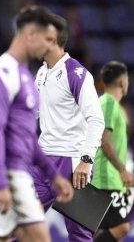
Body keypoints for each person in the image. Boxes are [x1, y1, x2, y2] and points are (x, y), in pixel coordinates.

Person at [0, 6, 74, 242]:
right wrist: (1, 182)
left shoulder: (25, 77)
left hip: (11, 171)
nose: (50, 46)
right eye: (48, 39)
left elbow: (28, 139)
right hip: (7, 173)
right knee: (40, 238)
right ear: (31, 34)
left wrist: (54, 176)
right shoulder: (2, 72)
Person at [32, 13, 105, 242]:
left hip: (72, 163)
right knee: (20, 224)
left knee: (79, 235)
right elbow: (33, 111)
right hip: (44, 161)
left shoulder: (77, 73)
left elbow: (96, 119)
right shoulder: (42, 72)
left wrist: (86, 160)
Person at [91, 61, 134, 242]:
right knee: (121, 226)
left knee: (89, 230)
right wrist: (122, 169)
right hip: (105, 178)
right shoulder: (109, 104)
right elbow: (104, 140)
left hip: (106, 178)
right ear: (123, 82)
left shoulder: (106, 103)